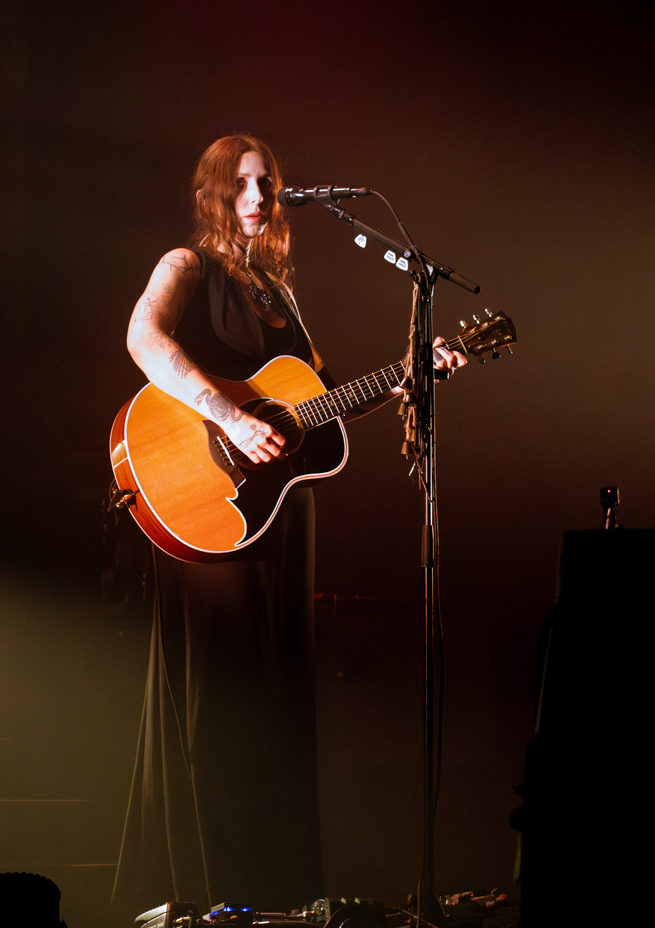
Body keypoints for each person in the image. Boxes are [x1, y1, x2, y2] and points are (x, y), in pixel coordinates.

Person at [111, 135, 465, 919]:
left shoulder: (281, 294)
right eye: (239, 182)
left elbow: (322, 405)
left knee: (274, 696)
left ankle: (275, 893)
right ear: (211, 194)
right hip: (207, 507)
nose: (258, 193)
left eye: (267, 181)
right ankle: (209, 897)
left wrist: (416, 370)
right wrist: (230, 416)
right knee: (224, 698)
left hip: (277, 518)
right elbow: (144, 341)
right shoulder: (186, 267)